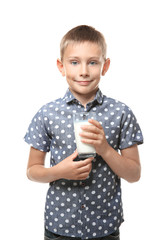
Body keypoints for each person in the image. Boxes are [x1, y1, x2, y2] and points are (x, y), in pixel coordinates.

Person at [24, 25, 143, 240]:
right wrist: (59, 171)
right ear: (61, 67)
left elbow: (134, 174)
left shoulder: (121, 113)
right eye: (74, 62)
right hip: (60, 227)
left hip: (105, 227)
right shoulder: (47, 113)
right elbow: (32, 170)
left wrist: (105, 149)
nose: (84, 71)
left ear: (105, 66)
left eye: (93, 62)